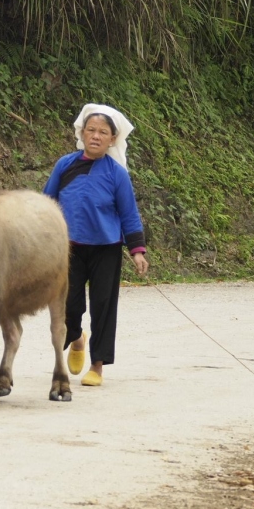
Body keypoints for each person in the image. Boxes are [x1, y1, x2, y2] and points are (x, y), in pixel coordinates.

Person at [43, 104, 149, 387]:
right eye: (91, 130)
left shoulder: (117, 174)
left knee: (103, 306)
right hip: (69, 249)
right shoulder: (65, 165)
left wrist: (137, 251)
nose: (96, 136)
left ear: (113, 139)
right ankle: (77, 339)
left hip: (106, 248)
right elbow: (46, 203)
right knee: (68, 304)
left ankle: (97, 366)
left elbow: (129, 213)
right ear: (82, 132)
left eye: (103, 132)